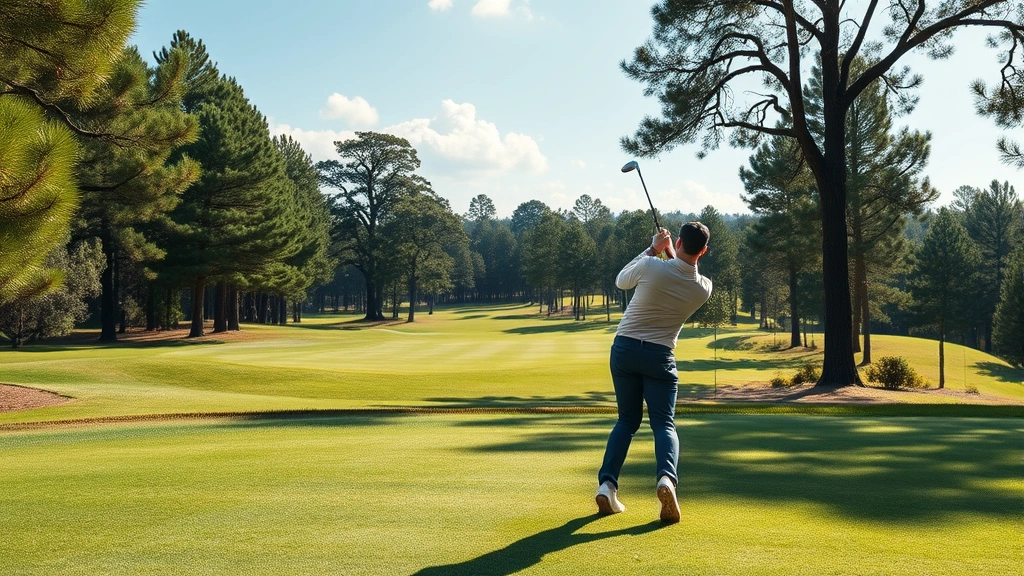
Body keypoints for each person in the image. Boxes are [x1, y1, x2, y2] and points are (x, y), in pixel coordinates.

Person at [596, 222, 712, 524]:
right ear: (704, 250)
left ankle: (607, 485)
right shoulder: (703, 288)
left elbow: (622, 280)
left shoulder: (650, 264)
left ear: (680, 241)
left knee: (626, 421)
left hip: (624, 349)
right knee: (663, 423)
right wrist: (671, 251)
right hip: (660, 355)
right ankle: (666, 480)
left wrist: (654, 247)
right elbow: (682, 268)